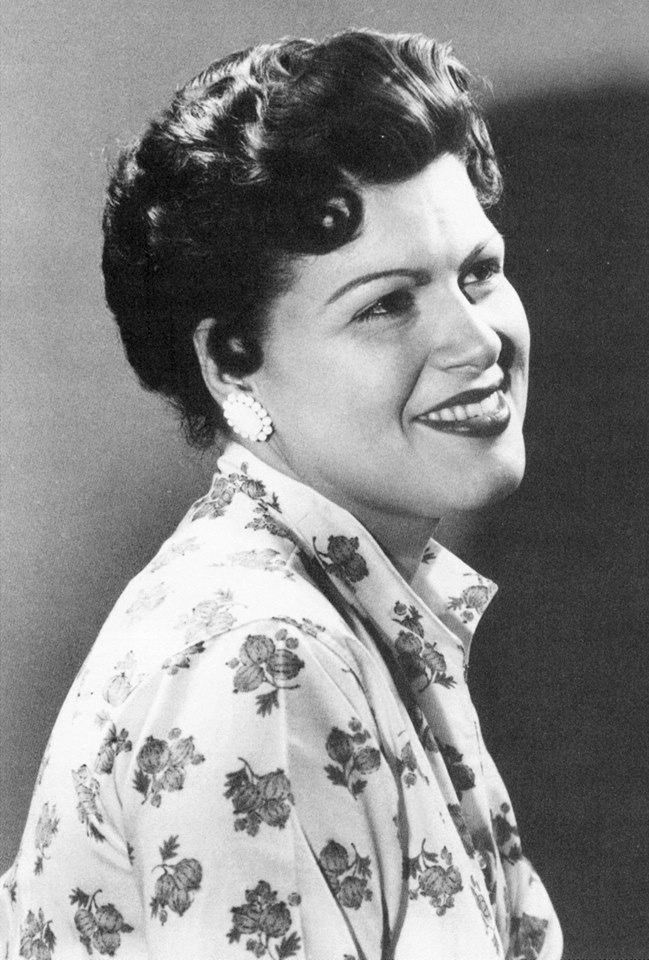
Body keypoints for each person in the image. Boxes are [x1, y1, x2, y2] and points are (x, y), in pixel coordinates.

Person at [0, 29, 563, 960]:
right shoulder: (262, 662)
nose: (476, 341)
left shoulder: (340, 616)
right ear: (231, 363)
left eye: (478, 274)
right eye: (386, 303)